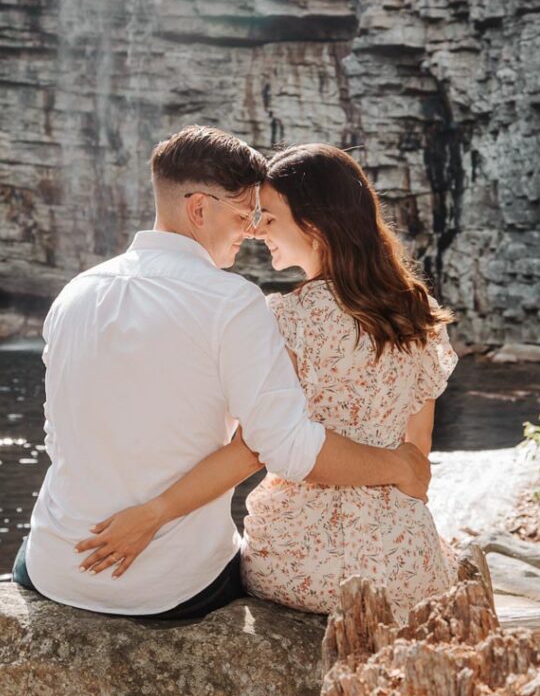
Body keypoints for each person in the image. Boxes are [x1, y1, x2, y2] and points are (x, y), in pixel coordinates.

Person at [0, 127, 431, 696]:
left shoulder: (76, 291)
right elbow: (285, 446)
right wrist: (398, 467)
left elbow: (57, 436)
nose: (250, 237)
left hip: (55, 566)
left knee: (35, 551)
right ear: (199, 209)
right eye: (240, 218)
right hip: (168, 590)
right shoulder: (231, 304)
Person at [75, 143, 459, 622]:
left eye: (269, 218)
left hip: (302, 560)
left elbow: (254, 450)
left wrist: (152, 513)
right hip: (404, 557)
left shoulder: (286, 320)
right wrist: (396, 485)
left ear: (315, 227)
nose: (254, 231)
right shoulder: (419, 314)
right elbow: (416, 462)